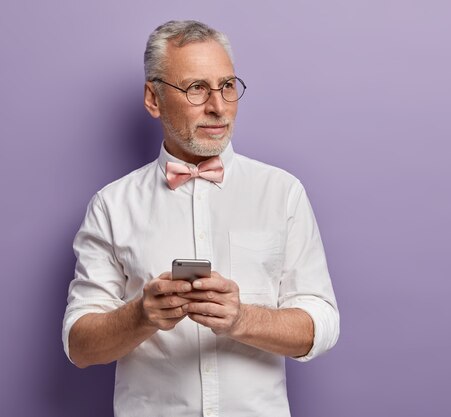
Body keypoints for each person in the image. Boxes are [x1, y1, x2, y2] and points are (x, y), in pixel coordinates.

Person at [62, 20, 339, 417]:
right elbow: (79, 347)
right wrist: (141, 316)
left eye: (227, 86)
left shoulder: (283, 193)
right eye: (196, 88)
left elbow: (323, 325)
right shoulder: (111, 205)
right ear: (153, 99)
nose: (218, 106)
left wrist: (242, 318)